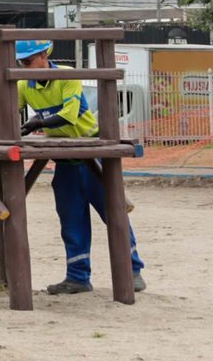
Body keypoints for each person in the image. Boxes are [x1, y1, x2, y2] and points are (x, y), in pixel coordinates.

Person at [16, 39, 146, 295]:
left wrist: (35, 124)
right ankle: (77, 276)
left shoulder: (68, 76)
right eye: (21, 63)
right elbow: (11, 108)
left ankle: (133, 270)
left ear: (44, 55)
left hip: (92, 155)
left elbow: (69, 114)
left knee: (114, 215)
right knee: (71, 220)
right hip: (65, 159)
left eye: (28, 61)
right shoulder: (23, 83)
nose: (25, 66)